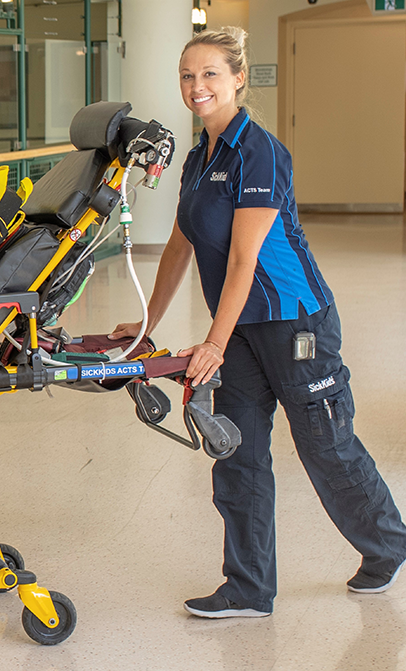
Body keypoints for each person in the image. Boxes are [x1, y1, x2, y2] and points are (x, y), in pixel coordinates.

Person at [110, 27, 406, 618]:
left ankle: (390, 545)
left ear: (239, 78)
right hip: (241, 329)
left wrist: (213, 343)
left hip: (294, 322)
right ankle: (248, 587)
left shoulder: (259, 150)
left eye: (211, 74)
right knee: (237, 452)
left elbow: (246, 257)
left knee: (324, 445)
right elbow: (178, 248)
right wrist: (145, 323)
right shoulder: (198, 157)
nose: (198, 87)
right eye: (188, 76)